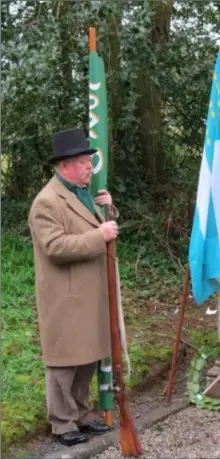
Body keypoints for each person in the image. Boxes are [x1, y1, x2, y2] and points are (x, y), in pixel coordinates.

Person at [28, 127, 119, 447]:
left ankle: (81, 413)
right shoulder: (47, 202)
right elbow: (55, 246)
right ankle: (61, 422)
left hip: (88, 294)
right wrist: (100, 236)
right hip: (65, 296)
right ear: (64, 166)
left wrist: (107, 210)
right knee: (65, 362)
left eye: (88, 162)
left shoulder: (81, 193)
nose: (88, 168)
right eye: (82, 162)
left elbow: (95, 226)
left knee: (87, 357)